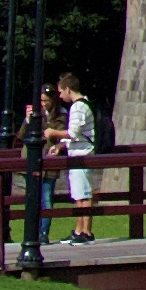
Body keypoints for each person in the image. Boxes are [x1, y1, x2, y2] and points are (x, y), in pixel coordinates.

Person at [55, 73, 98, 245]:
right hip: (77, 152)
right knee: (79, 195)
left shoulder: (78, 107)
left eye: (60, 92)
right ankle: (79, 230)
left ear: (67, 89)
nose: (60, 96)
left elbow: (73, 132)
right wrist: (61, 145)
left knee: (84, 195)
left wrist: (53, 133)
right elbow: (75, 135)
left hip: (82, 154)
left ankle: (85, 232)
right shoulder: (81, 105)